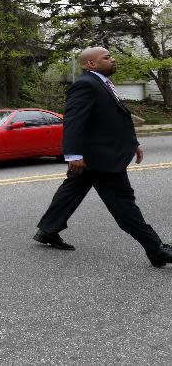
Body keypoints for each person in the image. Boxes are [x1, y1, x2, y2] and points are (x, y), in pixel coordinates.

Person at [34, 46, 172, 267]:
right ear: (91, 64)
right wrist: (73, 154)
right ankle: (156, 250)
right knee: (124, 204)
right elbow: (73, 121)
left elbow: (116, 119)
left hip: (93, 157)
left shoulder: (101, 83)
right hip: (100, 159)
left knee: (70, 193)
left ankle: (47, 230)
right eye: (107, 57)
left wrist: (133, 142)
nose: (113, 59)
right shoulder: (85, 85)